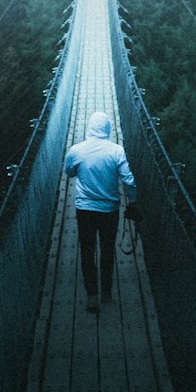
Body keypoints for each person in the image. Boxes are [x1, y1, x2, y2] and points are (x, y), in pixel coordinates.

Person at [63, 110, 137, 312]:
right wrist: (133, 202)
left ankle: (92, 296)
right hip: (109, 211)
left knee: (87, 251)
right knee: (107, 250)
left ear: (89, 127)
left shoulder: (77, 150)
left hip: (84, 210)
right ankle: (106, 292)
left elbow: (69, 173)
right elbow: (128, 179)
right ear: (108, 129)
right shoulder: (116, 151)